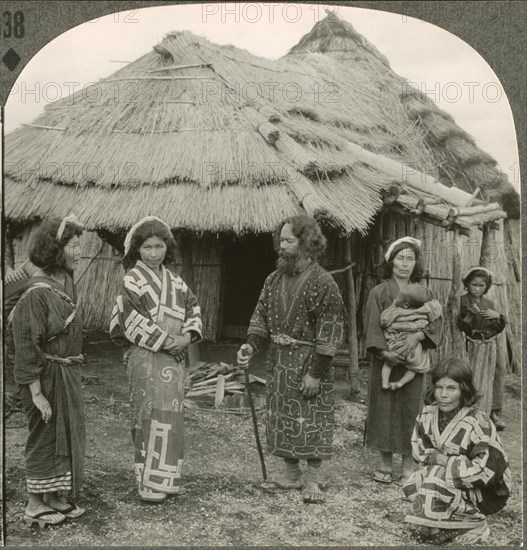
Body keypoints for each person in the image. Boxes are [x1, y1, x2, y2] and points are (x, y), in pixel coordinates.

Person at [237, 215, 345, 504]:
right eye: (280, 241)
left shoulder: (324, 282)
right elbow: (260, 315)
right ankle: (290, 473)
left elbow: (330, 329)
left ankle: (312, 480)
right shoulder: (273, 280)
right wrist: (251, 345)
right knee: (281, 416)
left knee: (311, 419)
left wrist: (316, 372)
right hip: (279, 362)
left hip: (310, 362)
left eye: (289, 241)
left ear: (307, 243)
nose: (281, 247)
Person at [110, 216, 202, 503]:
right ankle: (147, 483)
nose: (153, 253)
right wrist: (166, 342)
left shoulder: (176, 282)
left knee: (171, 414)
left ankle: (167, 479)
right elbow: (130, 319)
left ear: (167, 247)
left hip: (174, 358)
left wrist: (186, 338)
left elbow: (194, 310)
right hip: (146, 356)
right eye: (147, 247)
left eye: (159, 246)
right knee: (147, 412)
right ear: (137, 249)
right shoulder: (132, 280)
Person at [11, 215, 86, 527]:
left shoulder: (64, 284)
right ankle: (33, 502)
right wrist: (37, 393)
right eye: (72, 245)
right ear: (56, 249)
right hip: (42, 376)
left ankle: (53, 495)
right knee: (44, 434)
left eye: (81, 244)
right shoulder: (37, 292)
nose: (79, 250)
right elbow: (26, 343)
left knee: (63, 435)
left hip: (62, 374)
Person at [402, 357, 511, 545]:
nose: (443, 395)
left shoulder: (478, 421)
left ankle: (477, 523)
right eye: (439, 387)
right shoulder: (427, 415)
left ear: (464, 389)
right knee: (411, 484)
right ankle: (449, 522)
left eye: (451, 388)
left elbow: (487, 471)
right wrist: (433, 462)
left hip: (487, 490)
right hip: (451, 479)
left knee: (435, 476)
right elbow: (420, 454)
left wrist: (444, 461)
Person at [364, 236, 441, 483]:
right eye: (400, 258)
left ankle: (408, 464)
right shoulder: (379, 292)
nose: (405, 264)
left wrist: (417, 336)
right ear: (391, 261)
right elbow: (371, 324)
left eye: (410, 258)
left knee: (410, 409)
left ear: (416, 263)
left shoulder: (425, 293)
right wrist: (385, 352)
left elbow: (437, 322)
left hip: (414, 358)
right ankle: (385, 464)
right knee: (384, 408)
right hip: (385, 358)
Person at [458, 266, 506, 429]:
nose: (477, 289)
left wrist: (498, 316)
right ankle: (470, 411)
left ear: (486, 287)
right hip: (472, 345)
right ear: (467, 284)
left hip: (490, 345)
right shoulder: (463, 301)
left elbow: (498, 327)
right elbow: (461, 326)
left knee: (493, 376)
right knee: (474, 377)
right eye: (474, 285)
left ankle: (492, 411)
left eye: (481, 286)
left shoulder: (489, 303)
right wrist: (470, 315)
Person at [380, 284, 442, 390]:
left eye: (398, 297)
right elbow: (437, 313)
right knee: (415, 368)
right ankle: (400, 383)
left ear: (406, 305)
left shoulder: (398, 311)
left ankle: (385, 383)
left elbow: (384, 322)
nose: (396, 298)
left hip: (398, 344)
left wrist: (392, 306)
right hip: (416, 349)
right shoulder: (426, 311)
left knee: (388, 363)